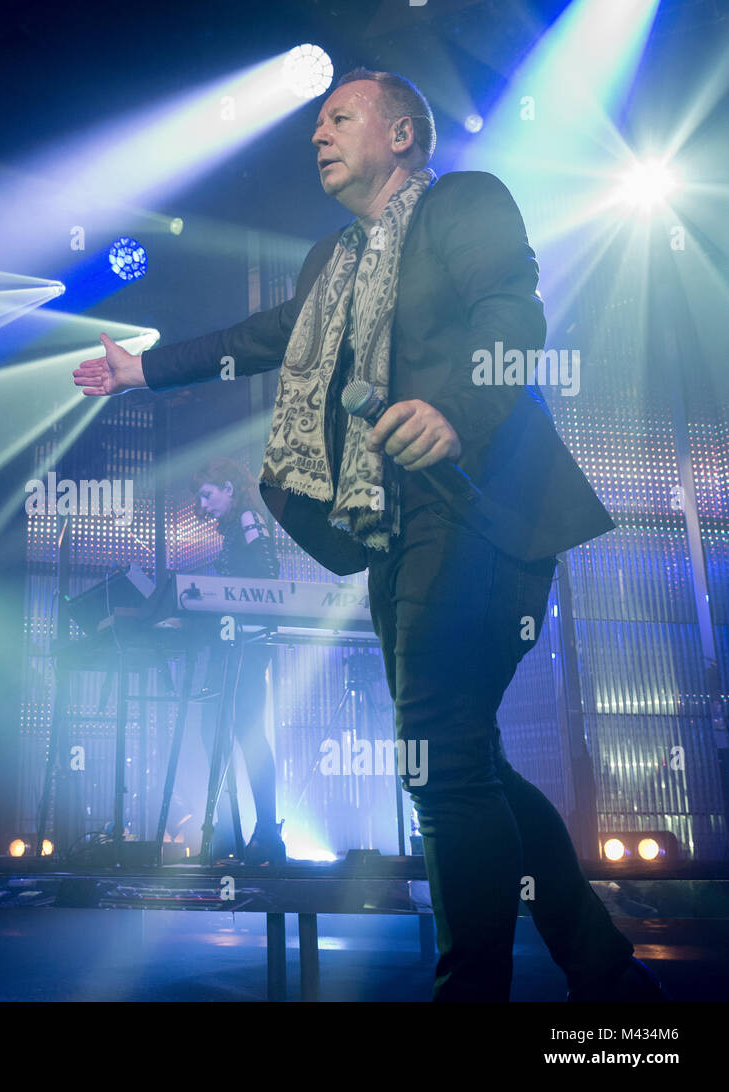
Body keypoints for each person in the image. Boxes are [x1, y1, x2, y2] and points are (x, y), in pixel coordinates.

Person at [73, 69, 666, 1002]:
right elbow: (264, 335)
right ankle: (610, 979)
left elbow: (513, 314)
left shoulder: (464, 203)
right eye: (314, 124)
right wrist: (146, 371)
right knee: (465, 753)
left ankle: (472, 991)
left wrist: (459, 411)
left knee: (438, 755)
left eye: (338, 117)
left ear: (401, 136)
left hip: (479, 503)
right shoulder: (330, 262)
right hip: (391, 521)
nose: (318, 135)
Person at [190, 457, 285, 865]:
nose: (203, 504)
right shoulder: (233, 525)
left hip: (247, 641)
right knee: (223, 730)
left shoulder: (248, 517)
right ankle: (244, 834)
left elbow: (268, 571)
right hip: (234, 642)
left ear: (229, 488)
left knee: (243, 733)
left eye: (207, 495)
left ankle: (261, 835)